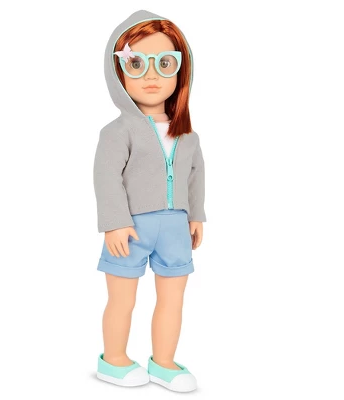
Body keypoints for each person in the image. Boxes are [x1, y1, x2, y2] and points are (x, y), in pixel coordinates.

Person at [93, 9, 206, 393]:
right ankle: (114, 360)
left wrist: (196, 215)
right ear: (118, 71)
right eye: (137, 63)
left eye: (165, 63)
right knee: (122, 299)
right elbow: (106, 177)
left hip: (176, 227)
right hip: (131, 227)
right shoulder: (118, 131)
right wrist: (114, 221)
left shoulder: (187, 134)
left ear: (181, 69)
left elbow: (195, 176)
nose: (152, 75)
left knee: (173, 300)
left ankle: (164, 362)